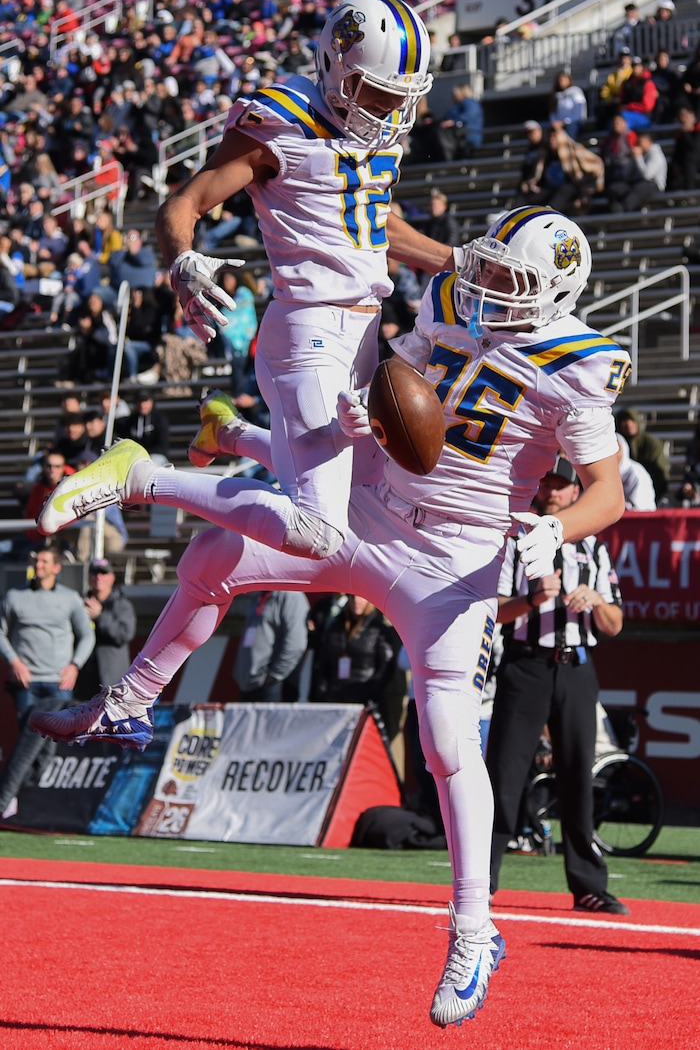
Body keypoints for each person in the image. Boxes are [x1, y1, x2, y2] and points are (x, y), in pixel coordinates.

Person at [31, 205, 630, 1028]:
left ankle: (473, 927)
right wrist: (367, 416)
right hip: (372, 514)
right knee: (213, 560)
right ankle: (130, 699)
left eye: (510, 280)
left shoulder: (586, 361)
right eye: (486, 267)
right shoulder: (452, 300)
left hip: (455, 563)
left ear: (558, 291)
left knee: (448, 739)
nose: (487, 286)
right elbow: (404, 386)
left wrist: (553, 527)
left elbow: (607, 492)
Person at [154, 0, 454, 564]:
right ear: (335, 65)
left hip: (365, 332)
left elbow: (369, 218)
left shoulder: (376, 125)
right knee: (318, 529)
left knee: (371, 499)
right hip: (308, 330)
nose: (391, 104)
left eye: (400, 93)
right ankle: (141, 477)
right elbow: (182, 204)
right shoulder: (279, 119)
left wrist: (453, 260)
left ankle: (230, 434)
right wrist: (184, 264)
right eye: (379, 89)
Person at [486, 456, 627, 915]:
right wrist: (532, 599)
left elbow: (615, 624)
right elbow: (495, 610)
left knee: (578, 776)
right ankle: (479, 882)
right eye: (546, 483)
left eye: (561, 486)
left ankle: (587, 884)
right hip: (526, 665)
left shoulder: (595, 549)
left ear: (575, 494)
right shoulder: (517, 541)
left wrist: (597, 600)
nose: (551, 491)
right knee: (504, 774)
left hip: (577, 668)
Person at [0, 547, 94, 819]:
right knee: (28, 744)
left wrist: (75, 665)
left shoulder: (70, 599)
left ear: (56, 568)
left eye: (43, 561)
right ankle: (15, 799)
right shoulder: (15, 596)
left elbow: (87, 636)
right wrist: (14, 662)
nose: (37, 564)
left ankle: (17, 794)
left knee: (48, 748)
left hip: (58, 683)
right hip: (26, 683)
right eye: (35, 560)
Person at [311, 593, 399, 730]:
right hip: (336, 700)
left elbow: (387, 666)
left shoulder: (378, 629)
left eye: (361, 597)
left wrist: (370, 690)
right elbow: (322, 663)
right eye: (352, 597)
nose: (356, 601)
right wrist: (323, 691)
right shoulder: (336, 627)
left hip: (365, 702)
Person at [233, 588, 310, 702]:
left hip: (272, 686)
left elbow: (295, 644)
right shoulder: (259, 596)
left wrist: (274, 676)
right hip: (249, 683)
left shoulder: (292, 596)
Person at [76, 558, 137, 701]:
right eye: (95, 573)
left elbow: (124, 635)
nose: (99, 577)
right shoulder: (79, 603)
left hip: (111, 681)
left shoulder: (122, 605)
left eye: (103, 573)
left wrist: (100, 617)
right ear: (89, 577)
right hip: (83, 681)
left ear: (112, 578)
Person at [614, 407, 669, 503]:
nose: (628, 424)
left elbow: (660, 475)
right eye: (624, 421)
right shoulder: (617, 442)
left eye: (631, 420)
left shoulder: (651, 445)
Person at [606, 130, 667, 213]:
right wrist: (633, 158)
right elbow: (626, 175)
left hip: (653, 185)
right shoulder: (639, 154)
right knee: (615, 188)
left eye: (641, 142)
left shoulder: (656, 155)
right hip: (636, 183)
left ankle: (622, 209)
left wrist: (638, 157)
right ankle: (613, 209)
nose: (638, 144)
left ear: (649, 142)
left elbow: (647, 175)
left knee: (639, 189)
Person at [616, 433, 657, 511]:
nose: (614, 454)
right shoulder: (604, 475)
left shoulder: (636, 473)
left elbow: (638, 509)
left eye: (617, 449)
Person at [617, 57, 658, 131]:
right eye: (634, 66)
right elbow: (622, 99)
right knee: (615, 120)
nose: (636, 69)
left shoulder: (648, 83)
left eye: (638, 66)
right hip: (627, 113)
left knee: (622, 120)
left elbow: (647, 106)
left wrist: (628, 107)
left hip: (644, 116)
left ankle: (622, 141)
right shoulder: (628, 83)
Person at [549, 71, 587, 140]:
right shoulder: (556, 96)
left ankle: (569, 147)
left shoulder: (576, 92)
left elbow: (579, 113)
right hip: (559, 124)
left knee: (570, 128)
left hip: (573, 123)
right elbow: (553, 112)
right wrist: (555, 123)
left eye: (564, 79)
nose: (562, 82)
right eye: (560, 80)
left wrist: (565, 122)